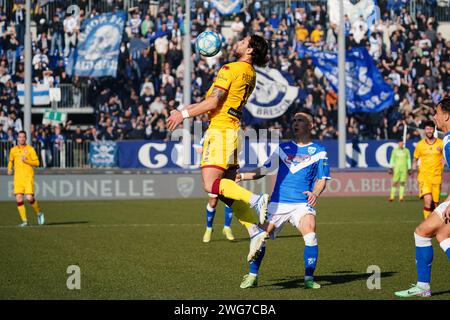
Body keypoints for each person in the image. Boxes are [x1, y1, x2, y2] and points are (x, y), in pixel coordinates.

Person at [167, 35, 270, 261]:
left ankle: (257, 200)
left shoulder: (229, 68)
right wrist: (183, 110)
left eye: (243, 41)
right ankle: (254, 231)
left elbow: (213, 103)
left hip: (221, 131)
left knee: (210, 184)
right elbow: (211, 103)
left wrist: (183, 115)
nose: (238, 42)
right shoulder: (250, 73)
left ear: (250, 49)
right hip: (233, 132)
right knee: (227, 192)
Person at [235, 112, 330, 289]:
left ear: (310, 125)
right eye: (294, 120)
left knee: (310, 234)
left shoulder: (319, 151)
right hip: (278, 202)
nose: (295, 123)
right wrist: (243, 176)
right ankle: (252, 275)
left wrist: (315, 193)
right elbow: (264, 170)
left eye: (300, 120)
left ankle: (309, 278)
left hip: (302, 203)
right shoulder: (283, 148)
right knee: (260, 237)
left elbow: (322, 180)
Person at [395, 98, 450, 298]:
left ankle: (423, 286)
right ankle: (423, 286)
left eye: (436, 112)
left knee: (422, 233)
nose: (434, 117)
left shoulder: (448, 141)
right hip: (428, 181)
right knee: (441, 235)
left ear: (446, 115)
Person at [194, 138, 235, 242]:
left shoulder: (231, 134)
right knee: (213, 201)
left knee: (229, 198)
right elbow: (198, 148)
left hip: (229, 167)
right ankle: (209, 229)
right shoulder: (209, 134)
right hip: (214, 169)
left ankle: (227, 227)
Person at [7, 131, 45, 227]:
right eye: (20, 137)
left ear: (26, 138)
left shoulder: (31, 149)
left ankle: (39, 212)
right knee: (19, 198)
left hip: (28, 177)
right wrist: (9, 169)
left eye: (23, 137)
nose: (22, 139)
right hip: (18, 178)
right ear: (17, 138)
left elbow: (37, 163)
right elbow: (11, 161)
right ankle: (25, 221)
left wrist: (26, 160)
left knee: (29, 198)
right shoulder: (13, 150)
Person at [412, 120, 444, 219]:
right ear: (424, 130)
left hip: (437, 177)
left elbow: (446, 157)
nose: (429, 131)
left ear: (434, 130)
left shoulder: (441, 143)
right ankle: (427, 223)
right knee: (427, 200)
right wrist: (413, 167)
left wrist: (444, 161)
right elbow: (415, 158)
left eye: (431, 129)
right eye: (427, 129)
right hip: (424, 177)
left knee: (435, 205)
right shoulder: (420, 145)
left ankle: (435, 224)